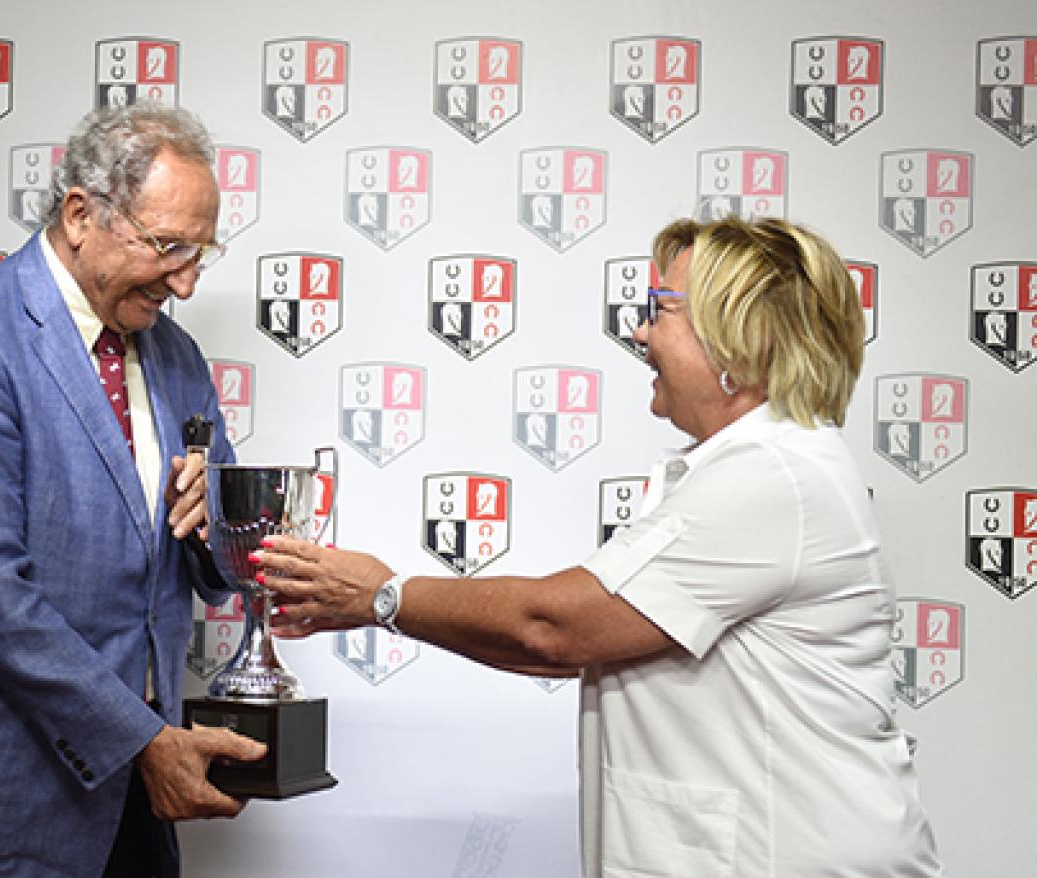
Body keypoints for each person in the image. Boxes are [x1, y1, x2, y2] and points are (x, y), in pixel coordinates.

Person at [256, 217, 944, 876]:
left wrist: (382, 595)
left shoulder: (774, 475)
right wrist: (383, 605)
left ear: (743, 341)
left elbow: (555, 628)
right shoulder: (755, 468)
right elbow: (569, 645)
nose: (640, 332)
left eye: (661, 310)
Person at [0, 105, 266, 878]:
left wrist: (214, 515)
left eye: (200, 253)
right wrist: (143, 742)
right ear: (80, 215)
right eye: (167, 247)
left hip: (133, 801)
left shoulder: (176, 354)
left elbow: (219, 563)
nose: (185, 281)